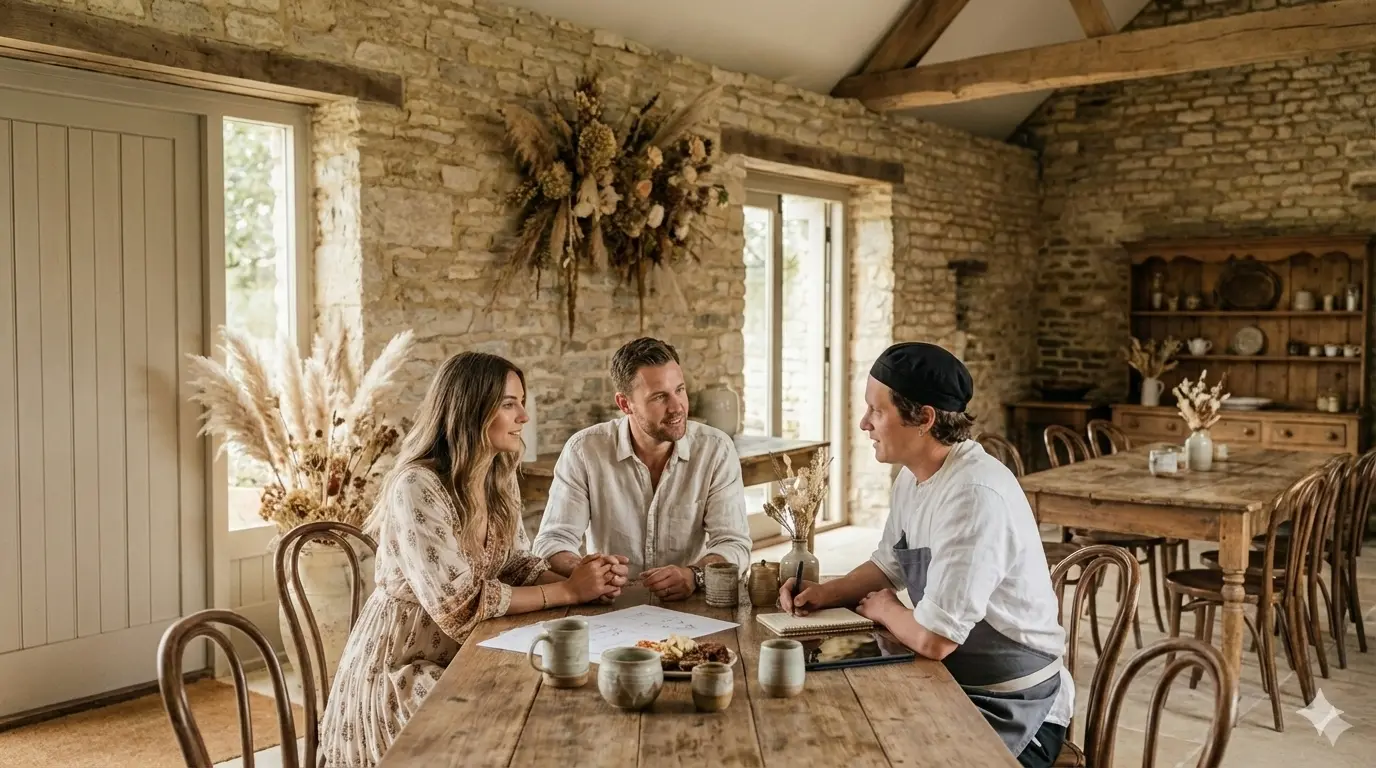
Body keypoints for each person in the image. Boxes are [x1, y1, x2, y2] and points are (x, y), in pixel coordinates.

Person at [778, 342, 1072, 768]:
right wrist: (824, 593)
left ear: (925, 419)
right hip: (953, 686)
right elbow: (888, 564)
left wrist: (885, 609)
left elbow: (935, 639)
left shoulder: (973, 495)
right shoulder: (913, 477)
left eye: (876, 411)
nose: (864, 423)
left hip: (1014, 708)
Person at [320, 352, 620, 768]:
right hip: (405, 666)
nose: (524, 417)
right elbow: (459, 607)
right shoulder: (416, 486)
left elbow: (515, 562)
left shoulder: (496, 475)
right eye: (509, 404)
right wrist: (567, 590)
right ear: (471, 410)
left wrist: (586, 579)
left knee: (556, 705)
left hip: (474, 650)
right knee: (502, 735)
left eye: (521, 402)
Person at [532, 337, 752, 601]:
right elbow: (552, 541)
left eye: (680, 390)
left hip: (692, 606)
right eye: (660, 397)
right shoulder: (584, 450)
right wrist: (586, 572)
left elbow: (734, 544)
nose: (677, 407)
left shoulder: (716, 450)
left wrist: (695, 575)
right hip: (611, 609)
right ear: (625, 404)